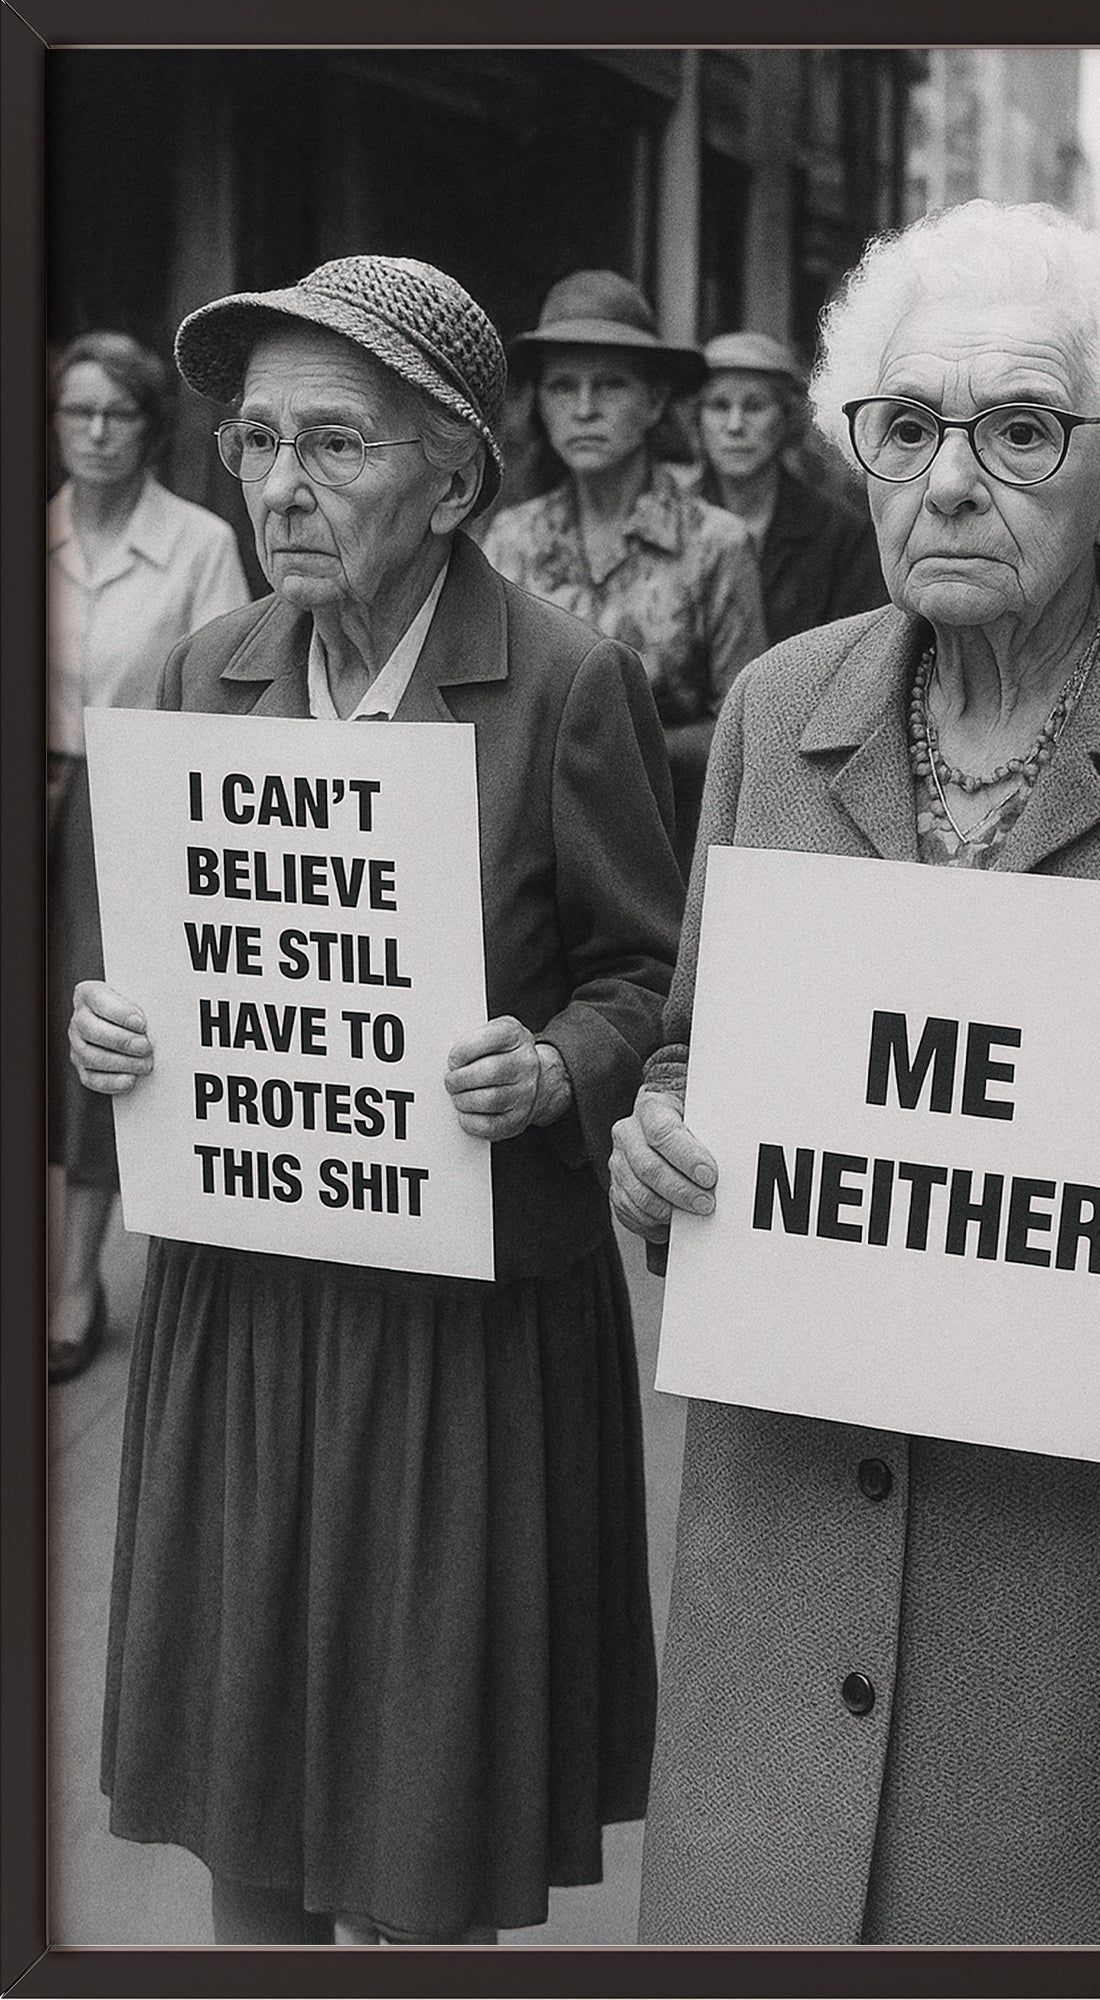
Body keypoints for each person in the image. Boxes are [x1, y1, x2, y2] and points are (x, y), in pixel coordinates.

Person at [609, 201, 1100, 1947]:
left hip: (1087, 1594)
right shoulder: (770, 715)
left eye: (1019, 430)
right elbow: (692, 1052)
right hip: (787, 1568)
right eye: (905, 426)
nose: (948, 482)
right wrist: (659, 1138)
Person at [67, 256, 683, 1947]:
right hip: (246, 1314)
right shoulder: (205, 673)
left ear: (457, 474)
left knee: (428, 1820)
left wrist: (559, 1064)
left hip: (457, 1343)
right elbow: (169, 958)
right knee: (245, 1789)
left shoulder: (567, 686)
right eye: (256, 442)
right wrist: (114, 1035)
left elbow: (654, 981)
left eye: (333, 446)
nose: (278, 488)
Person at [48, 331, 250, 1383]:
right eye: (73, 412)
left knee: (96, 1015)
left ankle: (76, 1275)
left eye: (113, 414)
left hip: (119, 793)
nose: (92, 433)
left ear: (149, 426)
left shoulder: (199, 541)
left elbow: (218, 697)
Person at [481, 270, 767, 871]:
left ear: (655, 401)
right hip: (533, 847)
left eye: (610, 386)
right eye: (563, 387)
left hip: (669, 842)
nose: (584, 409)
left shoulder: (716, 543)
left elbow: (745, 726)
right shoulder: (512, 538)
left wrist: (620, 751)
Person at [694, 330, 888, 645]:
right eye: (718, 406)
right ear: (697, 418)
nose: (734, 425)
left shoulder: (840, 534)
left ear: (787, 418)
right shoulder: (672, 521)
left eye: (755, 407)